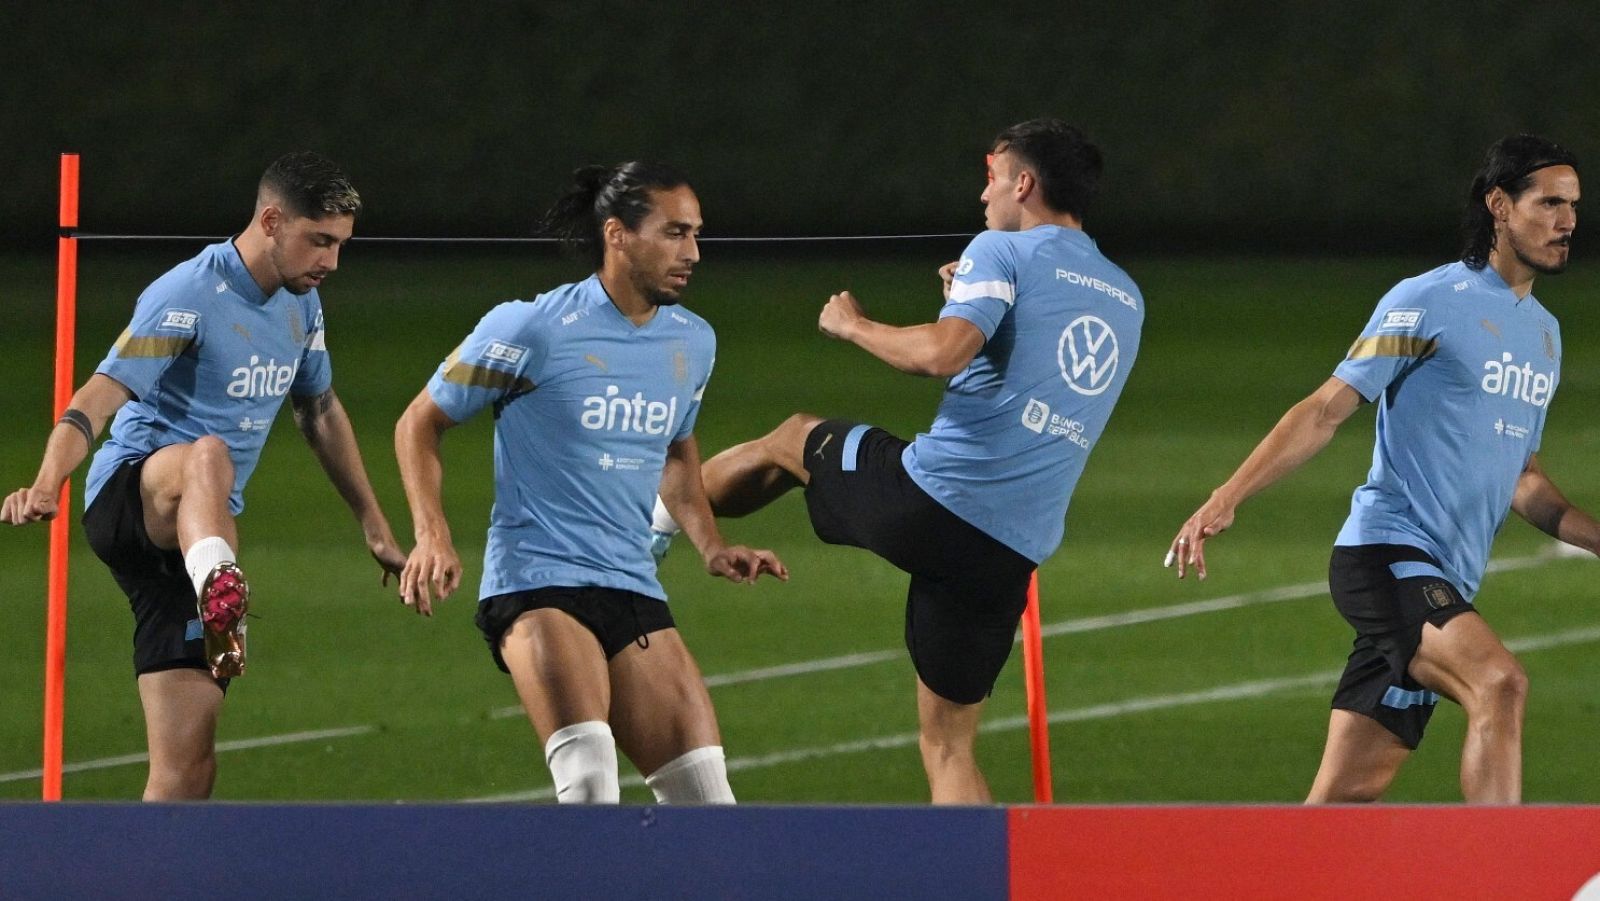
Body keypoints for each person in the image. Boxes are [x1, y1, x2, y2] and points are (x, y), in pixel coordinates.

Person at [650, 119, 1144, 802]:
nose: (983, 195)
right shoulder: (1125, 295)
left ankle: (651, 520)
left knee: (794, 437)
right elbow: (1028, 370)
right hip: (1010, 550)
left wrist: (851, 325)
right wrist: (966, 300)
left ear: (1023, 184)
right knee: (948, 745)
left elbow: (943, 354)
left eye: (992, 177)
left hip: (929, 501)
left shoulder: (1000, 251)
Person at [1168, 135, 1589, 803]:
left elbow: (1525, 480)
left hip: (1442, 583)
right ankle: (1505, 877)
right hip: (1387, 556)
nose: (1567, 220)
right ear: (1500, 206)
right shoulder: (1429, 298)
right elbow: (1328, 407)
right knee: (1499, 683)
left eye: (1573, 205)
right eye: (1549, 203)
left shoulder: (1544, 335)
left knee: (1339, 805)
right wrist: (1229, 494)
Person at [2, 151, 406, 800]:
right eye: (320, 241)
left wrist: (374, 523)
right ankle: (223, 590)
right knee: (208, 453)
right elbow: (98, 395)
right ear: (272, 220)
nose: (331, 261)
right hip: (133, 498)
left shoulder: (303, 307)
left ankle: (150, 877)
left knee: (188, 770)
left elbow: (321, 410)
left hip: (191, 539)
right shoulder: (187, 295)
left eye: (340, 245)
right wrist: (49, 480)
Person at [394, 162, 787, 805]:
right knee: (591, 790)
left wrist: (712, 546)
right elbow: (419, 424)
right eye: (674, 233)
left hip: (631, 584)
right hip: (538, 583)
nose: (692, 253)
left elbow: (677, 458)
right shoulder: (531, 328)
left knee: (710, 807)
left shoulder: (693, 341)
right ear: (618, 234)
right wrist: (432, 534)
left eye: (697, 234)